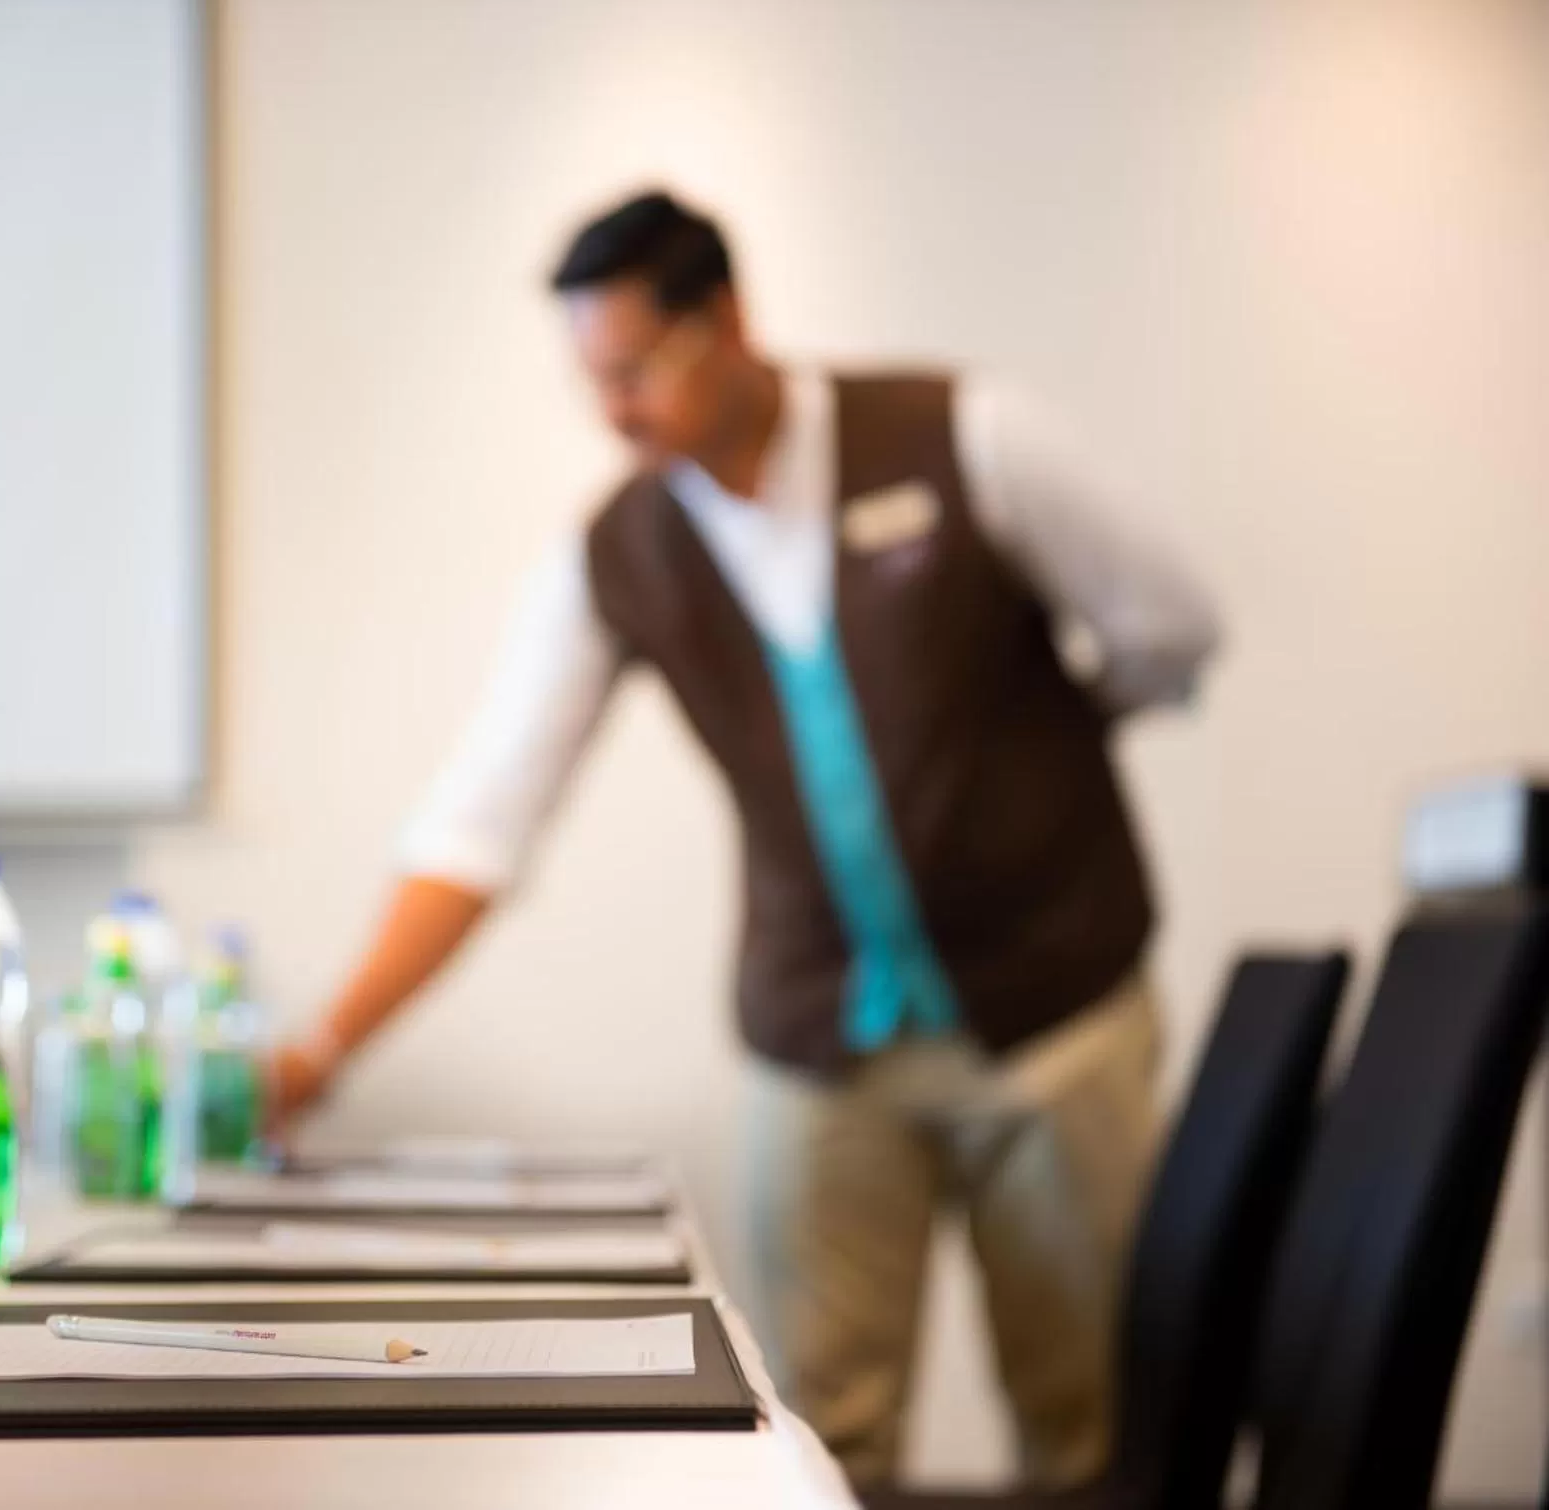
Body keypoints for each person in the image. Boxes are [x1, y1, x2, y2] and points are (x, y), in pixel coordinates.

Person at [268, 189, 1219, 1489]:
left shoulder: (960, 433)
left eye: (634, 370)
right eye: (588, 383)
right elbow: (481, 820)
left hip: (1054, 1014)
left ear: (723, 320)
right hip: (818, 1037)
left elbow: (1169, 627)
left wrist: (1048, 734)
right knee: (818, 1435)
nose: (612, 413)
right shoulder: (620, 550)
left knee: (1090, 1428)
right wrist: (322, 1050)